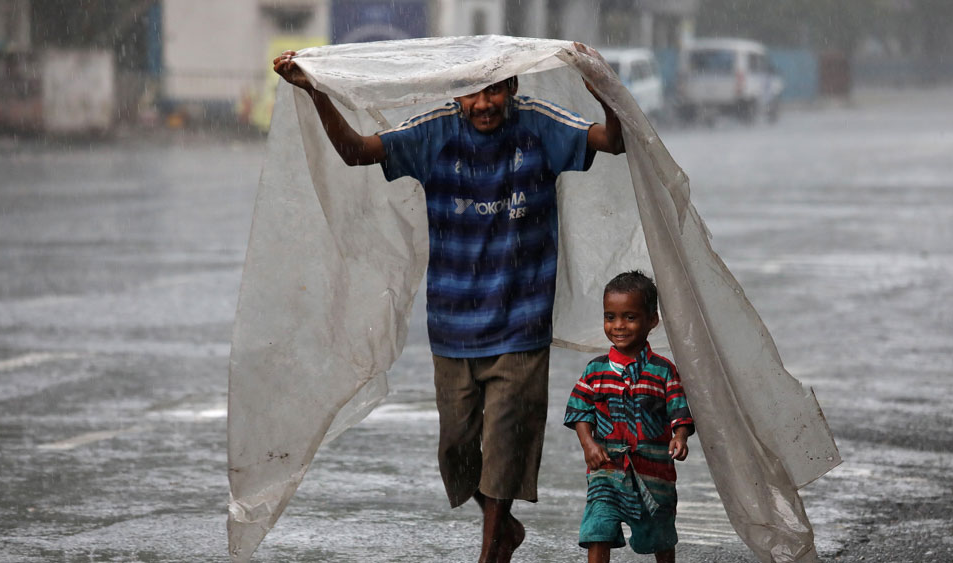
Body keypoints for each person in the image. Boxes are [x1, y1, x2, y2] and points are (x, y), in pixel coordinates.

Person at [272, 44, 625, 563]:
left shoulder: (538, 126)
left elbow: (612, 141)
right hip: (453, 327)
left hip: (521, 323)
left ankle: (489, 553)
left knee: (504, 452)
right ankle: (502, 530)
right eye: (473, 91)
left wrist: (607, 95)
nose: (484, 103)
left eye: (495, 89)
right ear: (455, 94)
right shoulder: (434, 132)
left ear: (513, 90)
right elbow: (356, 151)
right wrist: (317, 91)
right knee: (456, 455)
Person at [564, 271, 694, 563]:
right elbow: (579, 409)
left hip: (653, 473)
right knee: (598, 528)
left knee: (660, 533)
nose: (618, 326)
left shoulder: (663, 370)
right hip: (606, 470)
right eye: (610, 317)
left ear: (652, 320)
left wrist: (680, 436)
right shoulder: (595, 370)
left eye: (630, 317)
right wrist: (588, 444)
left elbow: (678, 409)